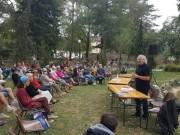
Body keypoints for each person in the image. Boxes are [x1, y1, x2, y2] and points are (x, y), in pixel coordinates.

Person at [132, 55, 150, 119]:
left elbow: (147, 78)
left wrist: (137, 76)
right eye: (138, 59)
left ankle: (146, 115)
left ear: (144, 60)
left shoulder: (146, 67)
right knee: (137, 99)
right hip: (138, 86)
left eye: (140, 59)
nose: (138, 60)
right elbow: (137, 75)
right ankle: (138, 113)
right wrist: (134, 76)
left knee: (144, 100)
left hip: (144, 87)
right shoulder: (139, 66)